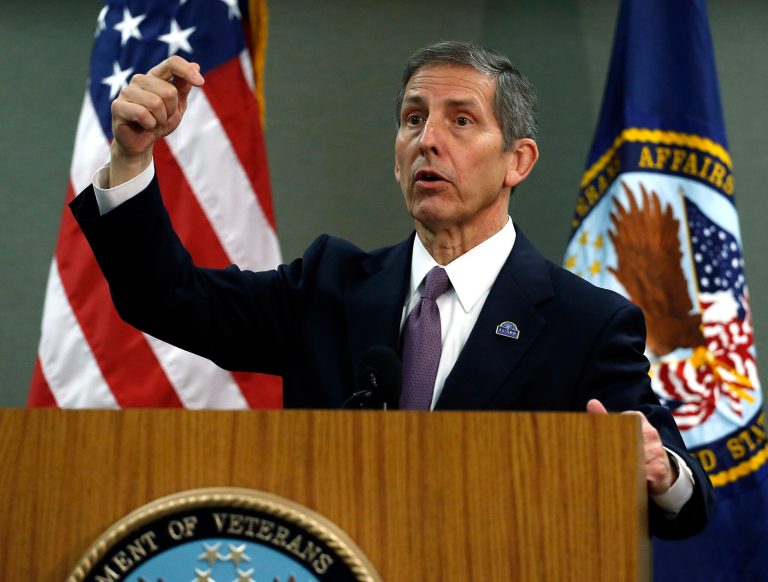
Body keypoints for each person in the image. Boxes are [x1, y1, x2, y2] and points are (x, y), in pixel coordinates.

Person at [71, 41, 713, 539]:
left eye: (461, 120)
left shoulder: (586, 322)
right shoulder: (327, 286)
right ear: (396, 153)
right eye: (413, 119)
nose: (427, 139)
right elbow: (168, 299)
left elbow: (686, 505)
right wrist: (132, 159)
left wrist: (659, 472)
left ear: (519, 161)